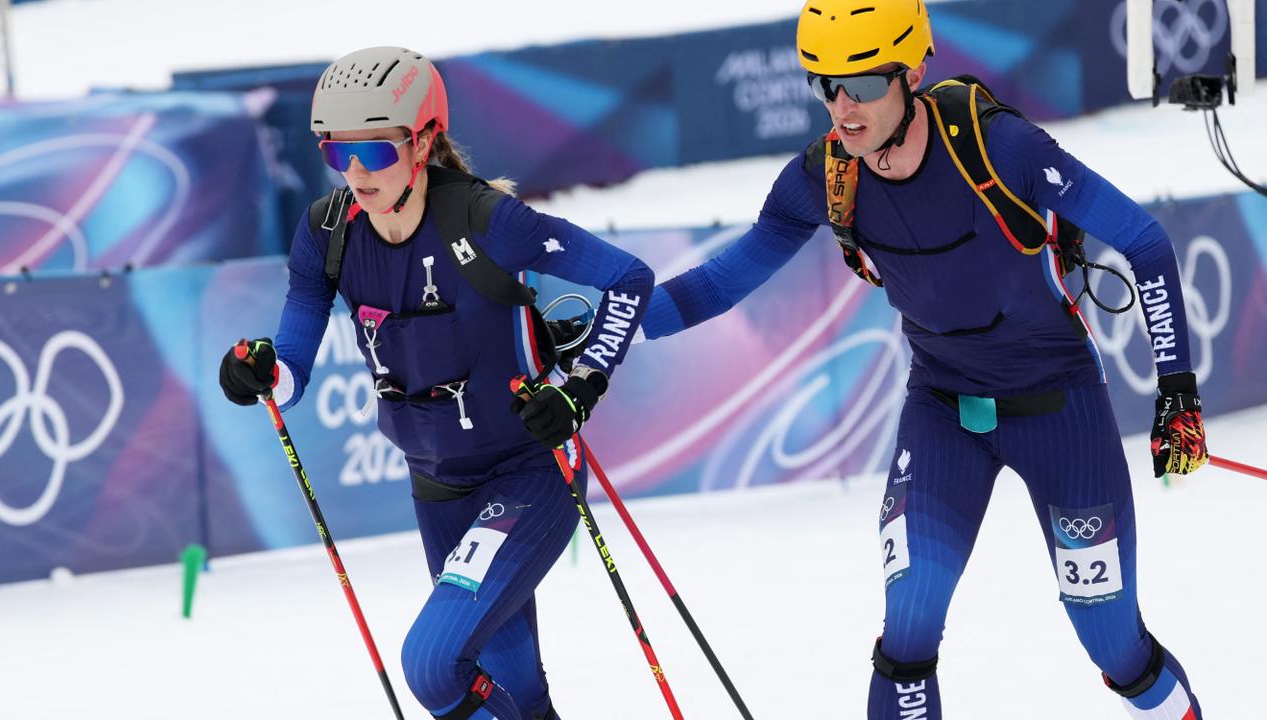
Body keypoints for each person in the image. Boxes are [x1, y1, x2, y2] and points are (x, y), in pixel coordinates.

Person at [641, 2, 1207, 718]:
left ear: (911, 73)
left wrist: (1177, 393)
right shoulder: (823, 178)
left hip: (1059, 411)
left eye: (865, 85)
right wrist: (607, 325)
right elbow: (718, 284)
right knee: (908, 626)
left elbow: (1147, 243)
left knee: (1114, 647)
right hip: (942, 413)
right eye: (825, 86)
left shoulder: (1001, 149)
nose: (844, 109)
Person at [219, 46, 652, 720]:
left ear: (422, 143)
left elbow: (630, 279)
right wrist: (264, 373)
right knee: (517, 689)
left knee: (431, 664)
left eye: (377, 152)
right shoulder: (328, 233)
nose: (356, 172)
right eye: (338, 154)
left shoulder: (488, 221)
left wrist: (581, 389)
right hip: (437, 489)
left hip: (528, 476)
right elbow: (295, 350)